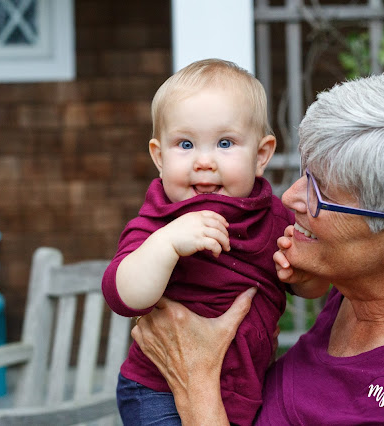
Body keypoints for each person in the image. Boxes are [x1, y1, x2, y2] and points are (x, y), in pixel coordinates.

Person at [130, 71, 384, 424]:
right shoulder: (358, 289)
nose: (289, 197)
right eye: (307, 173)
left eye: (322, 194)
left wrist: (196, 382)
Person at [102, 59, 297, 425]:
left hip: (249, 388)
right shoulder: (159, 220)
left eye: (225, 143)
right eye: (185, 144)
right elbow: (122, 296)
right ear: (159, 158)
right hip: (158, 390)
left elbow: (308, 287)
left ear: (261, 156)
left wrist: (299, 272)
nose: (203, 161)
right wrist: (166, 244)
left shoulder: (274, 217)